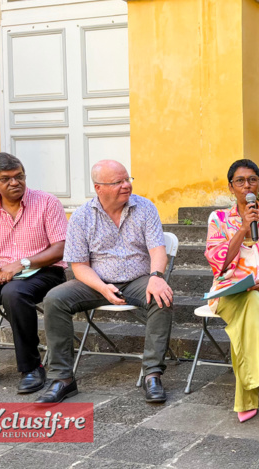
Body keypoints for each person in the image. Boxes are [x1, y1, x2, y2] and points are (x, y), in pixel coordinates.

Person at [37, 160, 174, 404]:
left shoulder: (145, 208)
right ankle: (62, 379)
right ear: (98, 188)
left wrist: (156, 277)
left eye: (127, 179)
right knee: (54, 299)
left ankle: (152, 374)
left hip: (138, 280)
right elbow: (78, 266)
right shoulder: (81, 217)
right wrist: (101, 287)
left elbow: (157, 250)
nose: (126, 185)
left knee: (162, 296)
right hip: (96, 283)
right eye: (118, 182)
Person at [0, 152, 68, 393]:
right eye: (6, 178)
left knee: (14, 293)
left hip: (45, 271)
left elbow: (61, 248)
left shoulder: (47, 202)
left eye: (19, 176)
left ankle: (31, 368)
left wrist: (23, 263)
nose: (15, 182)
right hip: (1, 274)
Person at [201, 159, 259, 423]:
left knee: (249, 307)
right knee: (246, 303)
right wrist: (242, 228)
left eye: (252, 180)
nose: (246, 185)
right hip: (227, 292)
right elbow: (219, 261)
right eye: (240, 181)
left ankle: (248, 398)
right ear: (231, 187)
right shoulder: (218, 219)